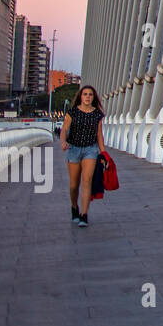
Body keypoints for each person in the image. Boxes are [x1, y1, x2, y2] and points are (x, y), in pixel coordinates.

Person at [60, 85, 106, 228]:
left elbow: (99, 135)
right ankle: (74, 207)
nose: (87, 97)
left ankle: (84, 215)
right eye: (85, 94)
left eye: (90, 94)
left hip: (90, 150)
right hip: (74, 149)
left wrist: (103, 153)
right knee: (74, 185)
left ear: (93, 97)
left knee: (87, 181)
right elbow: (64, 129)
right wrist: (63, 141)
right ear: (80, 96)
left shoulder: (97, 114)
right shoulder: (72, 112)